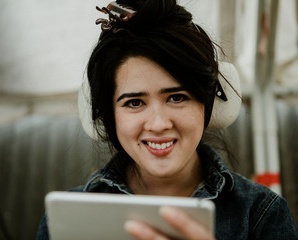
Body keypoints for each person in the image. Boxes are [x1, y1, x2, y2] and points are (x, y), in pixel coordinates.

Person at [36, 0, 298, 239]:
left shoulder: (261, 214)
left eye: (177, 98)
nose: (159, 124)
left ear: (207, 102)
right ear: (107, 116)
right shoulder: (64, 222)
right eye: (134, 103)